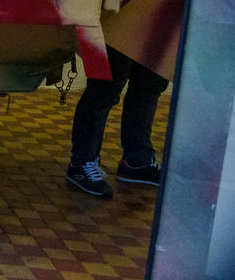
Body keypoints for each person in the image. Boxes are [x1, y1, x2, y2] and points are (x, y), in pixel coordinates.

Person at [65, 46, 169, 197]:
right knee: (104, 86)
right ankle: (81, 163)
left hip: (154, 31)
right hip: (115, 32)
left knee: (149, 84)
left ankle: (137, 161)